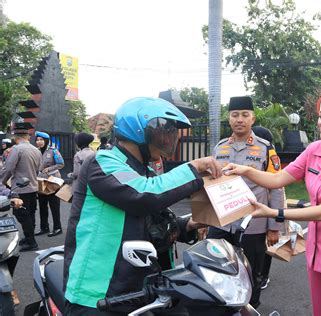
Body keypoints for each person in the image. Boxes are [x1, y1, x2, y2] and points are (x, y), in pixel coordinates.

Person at [63, 97, 221, 315]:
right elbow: (143, 195)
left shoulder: (142, 171)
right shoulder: (103, 161)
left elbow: (152, 219)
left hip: (137, 288)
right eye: (163, 132)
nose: (168, 139)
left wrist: (190, 224)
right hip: (98, 293)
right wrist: (193, 168)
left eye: (170, 133)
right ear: (138, 129)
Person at [224, 88, 321, 316]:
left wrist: (275, 213)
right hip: (317, 251)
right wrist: (245, 169)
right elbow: (277, 178)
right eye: (320, 115)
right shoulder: (315, 150)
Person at [207, 96, 284, 308]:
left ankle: (250, 309)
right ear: (229, 119)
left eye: (244, 115)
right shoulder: (219, 148)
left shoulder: (265, 148)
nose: (239, 119)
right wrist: (206, 220)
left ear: (252, 119)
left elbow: (276, 186)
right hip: (221, 222)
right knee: (217, 269)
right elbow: (211, 186)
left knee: (251, 273)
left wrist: (274, 225)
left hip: (253, 223)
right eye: (234, 115)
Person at [0, 125, 42, 251]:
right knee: (30, 213)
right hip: (33, 186)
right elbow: (38, 169)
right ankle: (29, 238)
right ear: (27, 136)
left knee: (21, 214)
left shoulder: (17, 149)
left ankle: (31, 241)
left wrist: (1, 181)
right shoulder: (36, 150)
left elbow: (8, 168)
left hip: (20, 188)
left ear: (14, 137)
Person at [251, 125, 282, 290]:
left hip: (266, 206)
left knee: (265, 245)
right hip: (253, 209)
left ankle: (263, 275)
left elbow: (277, 186)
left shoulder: (269, 153)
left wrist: (274, 225)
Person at [35, 131, 65, 237]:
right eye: (37, 140)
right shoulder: (36, 151)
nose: (39, 142)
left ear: (46, 141)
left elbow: (61, 164)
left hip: (52, 182)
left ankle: (57, 228)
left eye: (41, 140)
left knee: (54, 206)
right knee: (42, 206)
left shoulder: (53, 151)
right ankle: (44, 227)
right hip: (41, 182)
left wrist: (49, 168)